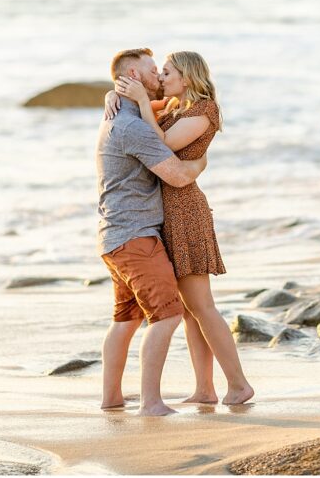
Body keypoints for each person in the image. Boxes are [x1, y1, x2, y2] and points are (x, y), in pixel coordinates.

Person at [108, 51, 254, 406]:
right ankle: (205, 389)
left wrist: (143, 100)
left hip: (186, 212)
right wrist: (114, 94)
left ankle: (239, 385)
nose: (161, 77)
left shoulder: (203, 111)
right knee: (190, 310)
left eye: (168, 72)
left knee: (202, 306)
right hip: (167, 212)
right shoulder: (173, 107)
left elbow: (163, 145)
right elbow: (135, 105)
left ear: (186, 77)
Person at [96, 48, 209, 416]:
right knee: (167, 315)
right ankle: (151, 403)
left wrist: (117, 93)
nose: (159, 78)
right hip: (136, 236)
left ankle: (112, 399)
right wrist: (197, 163)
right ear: (133, 74)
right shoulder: (133, 127)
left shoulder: (119, 114)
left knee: (125, 320)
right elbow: (176, 176)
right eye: (152, 71)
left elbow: (163, 110)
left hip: (114, 236)